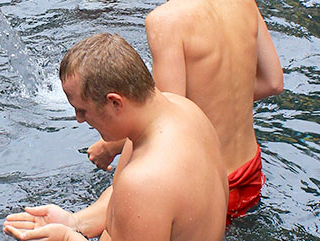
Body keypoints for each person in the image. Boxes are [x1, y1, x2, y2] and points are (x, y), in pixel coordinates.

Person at [3, 33, 232, 241]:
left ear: (115, 101)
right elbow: (136, 202)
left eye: (82, 109)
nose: (80, 120)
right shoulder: (180, 112)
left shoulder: (148, 180)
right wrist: (76, 222)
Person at [86, 0, 284, 224]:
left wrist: (111, 148)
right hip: (250, 173)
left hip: (204, 186)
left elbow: (164, 120)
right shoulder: (245, 3)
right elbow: (273, 82)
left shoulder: (167, 20)